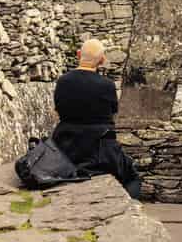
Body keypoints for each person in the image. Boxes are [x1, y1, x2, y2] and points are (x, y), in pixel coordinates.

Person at [51, 38, 142, 199]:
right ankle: (129, 208)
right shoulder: (106, 85)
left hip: (66, 145)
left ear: (79, 55)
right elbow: (113, 112)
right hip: (101, 149)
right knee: (133, 176)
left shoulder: (63, 81)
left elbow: (58, 111)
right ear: (101, 60)